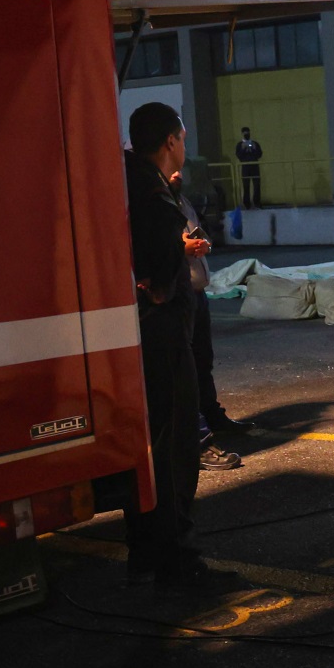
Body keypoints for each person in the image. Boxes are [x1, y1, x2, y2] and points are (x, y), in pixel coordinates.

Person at [122, 103, 243, 595]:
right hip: (162, 332)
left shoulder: (132, 181)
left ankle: (149, 554)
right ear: (171, 140)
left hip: (150, 331)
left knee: (156, 444)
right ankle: (177, 559)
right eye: (183, 139)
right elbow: (151, 267)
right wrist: (179, 252)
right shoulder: (149, 191)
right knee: (172, 447)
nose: (185, 148)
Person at [175, 177, 245, 472]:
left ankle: (212, 416)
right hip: (177, 294)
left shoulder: (180, 199)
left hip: (197, 292)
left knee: (202, 359)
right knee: (184, 370)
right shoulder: (151, 198)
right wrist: (183, 248)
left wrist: (199, 245)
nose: (179, 172)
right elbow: (148, 246)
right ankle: (198, 441)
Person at [235, 127, 263, 208]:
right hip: (245, 166)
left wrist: (253, 149)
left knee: (257, 185)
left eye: (248, 132)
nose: (247, 134)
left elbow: (260, 154)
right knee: (246, 185)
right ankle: (247, 203)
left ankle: (257, 202)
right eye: (245, 133)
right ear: (242, 134)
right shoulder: (240, 144)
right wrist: (243, 148)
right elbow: (238, 155)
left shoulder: (255, 143)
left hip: (255, 165)